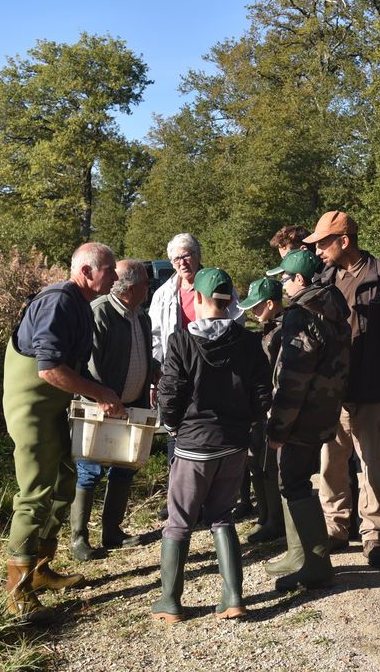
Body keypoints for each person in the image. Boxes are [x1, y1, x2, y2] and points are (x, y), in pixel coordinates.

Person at [2, 242, 123, 622]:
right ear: (86, 272)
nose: (116, 276)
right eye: (109, 269)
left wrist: (97, 391)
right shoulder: (59, 302)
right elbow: (49, 368)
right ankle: (17, 592)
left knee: (64, 481)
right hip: (32, 409)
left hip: (53, 407)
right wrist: (99, 393)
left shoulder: (81, 304)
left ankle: (41, 569)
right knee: (35, 492)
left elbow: (69, 367)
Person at [151, 268, 272, 623]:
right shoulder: (249, 341)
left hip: (193, 444)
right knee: (222, 516)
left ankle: (170, 602)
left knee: (179, 521)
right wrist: (246, 422)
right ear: (231, 300)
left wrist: (172, 425)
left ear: (198, 299)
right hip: (233, 444)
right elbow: (262, 393)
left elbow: (170, 391)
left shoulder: (181, 341)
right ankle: (233, 598)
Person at [307, 210, 380, 568]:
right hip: (333, 392)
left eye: (323, 243)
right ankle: (336, 529)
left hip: (374, 389)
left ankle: (374, 535)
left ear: (344, 241)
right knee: (330, 465)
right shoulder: (323, 278)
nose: (318, 251)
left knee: (374, 465)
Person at [262, 249, 351, 591]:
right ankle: (299, 555)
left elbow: (294, 378)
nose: (283, 285)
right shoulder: (333, 308)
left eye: (285, 278)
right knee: (296, 481)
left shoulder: (301, 315)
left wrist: (278, 426)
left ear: (300, 279)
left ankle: (315, 565)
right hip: (323, 412)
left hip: (301, 417)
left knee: (294, 483)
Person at [148, 233, 243, 519]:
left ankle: (225, 498)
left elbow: (237, 321)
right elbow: (155, 337)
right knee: (175, 431)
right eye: (176, 258)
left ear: (198, 255)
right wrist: (157, 374)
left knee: (220, 428)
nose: (182, 262)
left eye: (186, 255)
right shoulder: (163, 294)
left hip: (217, 370)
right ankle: (177, 500)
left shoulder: (218, 283)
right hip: (179, 369)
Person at [70, 259, 154, 561]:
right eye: (145, 282)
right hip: (100, 406)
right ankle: (79, 539)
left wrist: (156, 371)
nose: (149, 286)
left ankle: (112, 531)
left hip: (132, 406)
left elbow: (142, 356)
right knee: (89, 470)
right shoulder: (101, 312)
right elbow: (90, 366)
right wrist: (101, 397)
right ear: (129, 288)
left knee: (125, 466)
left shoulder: (140, 315)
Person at [237, 277, 286, 543]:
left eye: (256, 306)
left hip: (272, 407)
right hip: (259, 407)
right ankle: (264, 516)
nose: (253, 312)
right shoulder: (268, 329)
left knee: (269, 466)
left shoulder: (283, 330)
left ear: (270, 304)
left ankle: (275, 521)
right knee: (256, 461)